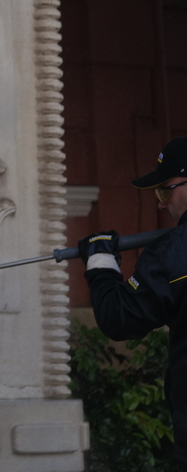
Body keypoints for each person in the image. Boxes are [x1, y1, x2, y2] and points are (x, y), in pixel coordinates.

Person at [80, 136, 187, 471]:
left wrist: (101, 261)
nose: (161, 204)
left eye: (164, 191)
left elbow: (119, 318)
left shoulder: (173, 253)